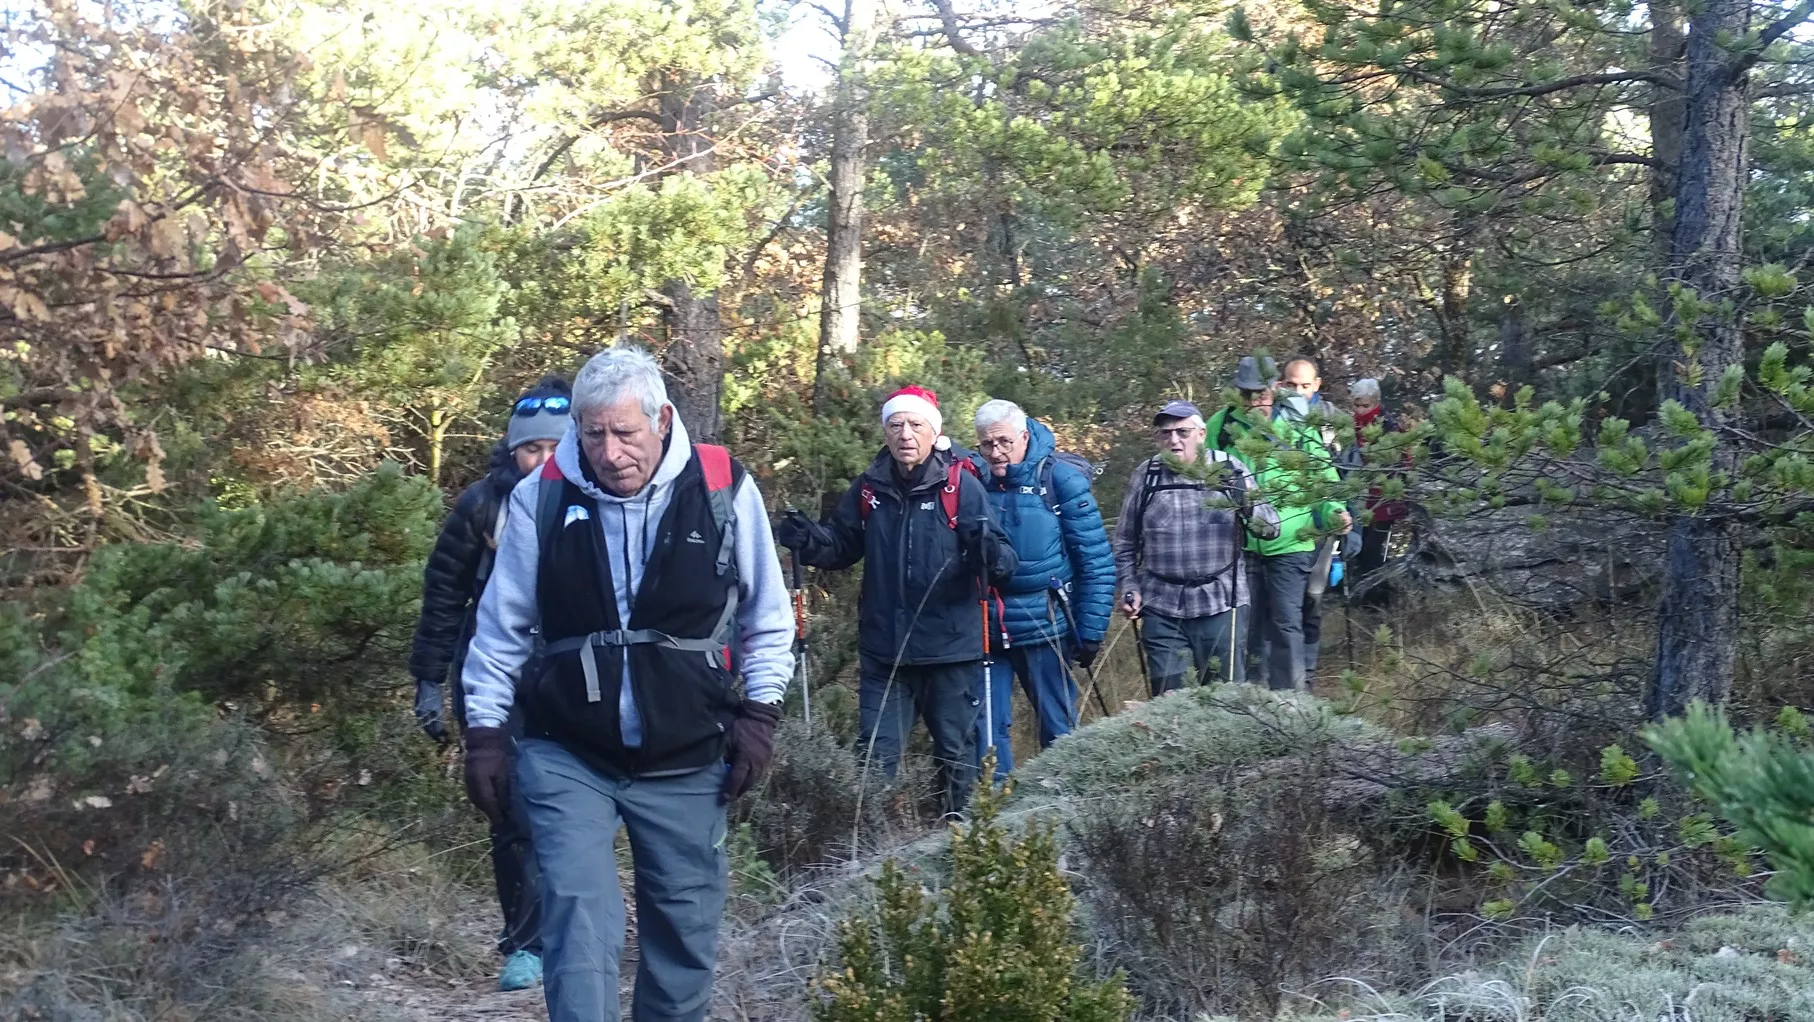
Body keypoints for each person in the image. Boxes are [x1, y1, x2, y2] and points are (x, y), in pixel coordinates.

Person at [460, 346, 795, 1022]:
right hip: (567, 750)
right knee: (579, 913)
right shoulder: (542, 496)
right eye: (593, 434)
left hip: (690, 749)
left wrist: (760, 716)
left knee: (683, 937)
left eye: (625, 433)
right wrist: (486, 735)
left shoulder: (724, 487)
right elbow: (500, 629)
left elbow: (768, 617)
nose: (609, 453)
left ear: (663, 420)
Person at [777, 385, 1017, 814]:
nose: (905, 433)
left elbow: (1003, 561)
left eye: (915, 424)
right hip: (885, 653)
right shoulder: (870, 488)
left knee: (958, 763)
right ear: (886, 432)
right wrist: (807, 540)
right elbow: (841, 545)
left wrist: (989, 553)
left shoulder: (960, 485)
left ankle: (961, 849)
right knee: (873, 763)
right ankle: (869, 857)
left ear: (933, 431)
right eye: (896, 424)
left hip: (950, 651)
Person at [408, 376, 569, 992]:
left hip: (570, 676)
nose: (544, 461)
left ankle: (575, 929)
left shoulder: (596, 499)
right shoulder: (482, 505)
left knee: (565, 806)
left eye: (557, 448)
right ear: (513, 451)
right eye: (532, 450)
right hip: (494, 672)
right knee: (507, 806)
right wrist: (427, 680)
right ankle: (524, 943)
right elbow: (443, 596)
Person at [967, 399, 1115, 777]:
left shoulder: (1059, 480)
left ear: (1024, 435)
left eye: (1004, 442)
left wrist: (1091, 630)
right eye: (987, 444)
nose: (996, 452)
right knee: (985, 732)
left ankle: (1067, 805)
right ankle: (994, 819)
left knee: (1059, 728)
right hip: (986, 629)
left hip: (1046, 628)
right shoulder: (971, 480)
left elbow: (1094, 559)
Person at [1112, 400, 1280, 696]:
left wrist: (1242, 500)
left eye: (1183, 432)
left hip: (1221, 602)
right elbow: (1125, 542)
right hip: (1162, 607)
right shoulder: (1147, 476)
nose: (1174, 440)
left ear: (1202, 434)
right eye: (1165, 433)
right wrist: (1129, 585)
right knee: (1169, 701)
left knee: (1224, 701)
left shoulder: (1230, 469)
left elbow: (1270, 528)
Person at [1208, 356, 1351, 690]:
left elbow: (1324, 478)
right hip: (1241, 544)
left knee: (1286, 623)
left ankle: (1291, 703)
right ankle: (1253, 700)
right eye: (1247, 393)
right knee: (1249, 625)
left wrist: (1335, 514)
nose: (1256, 400)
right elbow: (1204, 471)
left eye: (1262, 392)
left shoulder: (1300, 423)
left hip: (1292, 541)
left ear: (1275, 387)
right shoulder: (1222, 423)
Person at [1347, 378, 1407, 592]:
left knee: (1372, 551)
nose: (1361, 410)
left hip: (1383, 500)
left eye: (1366, 405)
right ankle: (1369, 596)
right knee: (1358, 549)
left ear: (1376, 402)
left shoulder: (1388, 425)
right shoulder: (1349, 425)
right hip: (1358, 498)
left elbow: (1403, 461)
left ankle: (1381, 596)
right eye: (1357, 404)